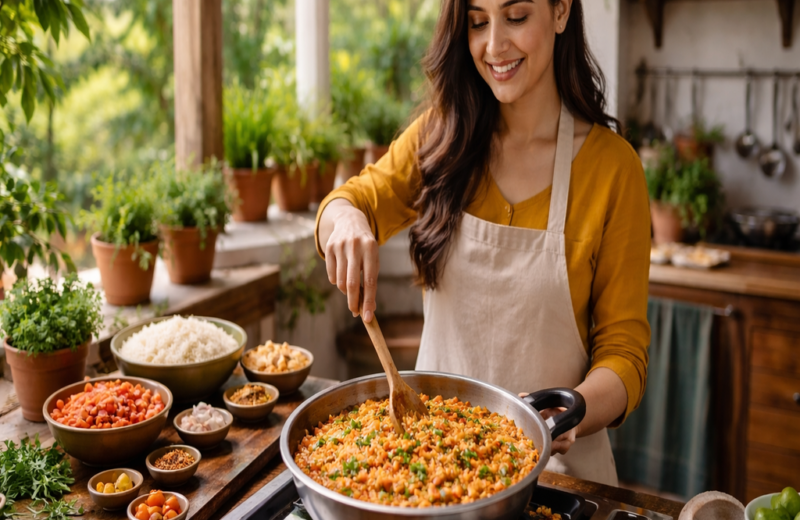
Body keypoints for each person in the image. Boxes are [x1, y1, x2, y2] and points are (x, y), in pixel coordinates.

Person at [315, 0, 650, 485]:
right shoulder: (441, 137)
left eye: (516, 17)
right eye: (477, 22)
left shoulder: (613, 169)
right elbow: (350, 201)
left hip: (559, 476)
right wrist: (343, 221)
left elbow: (625, 353)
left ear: (560, 13)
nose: (494, 46)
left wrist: (567, 411)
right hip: (431, 472)